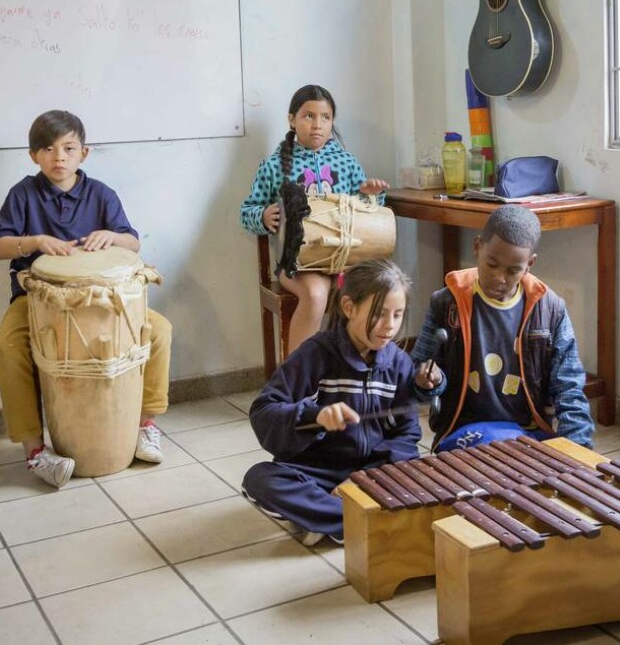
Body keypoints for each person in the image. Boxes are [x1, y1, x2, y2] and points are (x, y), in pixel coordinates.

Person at [0, 110, 173, 487]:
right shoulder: (22, 194)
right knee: (8, 348)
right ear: (34, 156)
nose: (59, 158)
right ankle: (35, 450)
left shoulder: (101, 194)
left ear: (83, 153)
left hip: (104, 302)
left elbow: (132, 241)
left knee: (159, 330)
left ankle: (146, 424)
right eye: (48, 149)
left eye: (69, 148)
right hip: (36, 299)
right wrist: (34, 242)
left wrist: (112, 236)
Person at [243, 258, 419, 546]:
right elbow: (264, 410)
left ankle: (329, 521)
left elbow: (407, 435)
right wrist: (315, 416)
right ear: (349, 307)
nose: (390, 326)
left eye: (398, 315)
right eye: (379, 314)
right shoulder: (315, 354)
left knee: (424, 475)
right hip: (317, 471)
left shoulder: (399, 364)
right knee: (260, 478)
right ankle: (355, 519)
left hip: (373, 471)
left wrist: (366, 480)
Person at [411, 205, 593, 452]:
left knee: (535, 481)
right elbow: (418, 383)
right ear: (477, 247)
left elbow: (569, 390)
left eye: (513, 270)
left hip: (529, 433)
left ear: (530, 264)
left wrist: (577, 452)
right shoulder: (446, 304)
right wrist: (430, 381)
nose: (500, 278)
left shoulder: (550, 310)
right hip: (463, 433)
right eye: (492, 264)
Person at [239, 85, 388, 353]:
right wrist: (263, 215)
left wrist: (370, 195)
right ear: (292, 119)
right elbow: (247, 211)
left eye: (325, 117)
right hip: (300, 265)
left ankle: (355, 373)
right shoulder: (273, 166)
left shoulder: (347, 163)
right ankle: (295, 380)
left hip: (344, 261)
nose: (317, 125)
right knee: (317, 295)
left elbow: (368, 214)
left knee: (369, 290)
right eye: (309, 116)